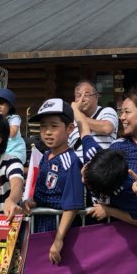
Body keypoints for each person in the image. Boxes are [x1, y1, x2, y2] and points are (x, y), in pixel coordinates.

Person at [79, 87, 137, 227]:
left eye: (127, 112)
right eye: (121, 112)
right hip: (115, 229)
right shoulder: (116, 145)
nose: (122, 117)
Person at [22, 99, 84, 264]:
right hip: (40, 228)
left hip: (60, 231)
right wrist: (33, 203)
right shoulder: (44, 156)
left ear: (69, 128)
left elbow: (72, 205)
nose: (47, 132)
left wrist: (59, 239)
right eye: (43, 126)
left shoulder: (71, 162)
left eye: (54, 126)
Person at [69, 80, 118, 161]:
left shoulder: (107, 111)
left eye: (86, 95)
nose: (82, 99)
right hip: (78, 170)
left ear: (96, 97)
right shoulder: (71, 120)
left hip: (102, 168)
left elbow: (106, 128)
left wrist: (76, 112)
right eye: (78, 95)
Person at [0, 88, 27, 165]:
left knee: (11, 166)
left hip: (15, 150)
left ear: (10, 106)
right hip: (1, 151)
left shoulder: (14, 118)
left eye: (1, 104)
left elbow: (12, 133)